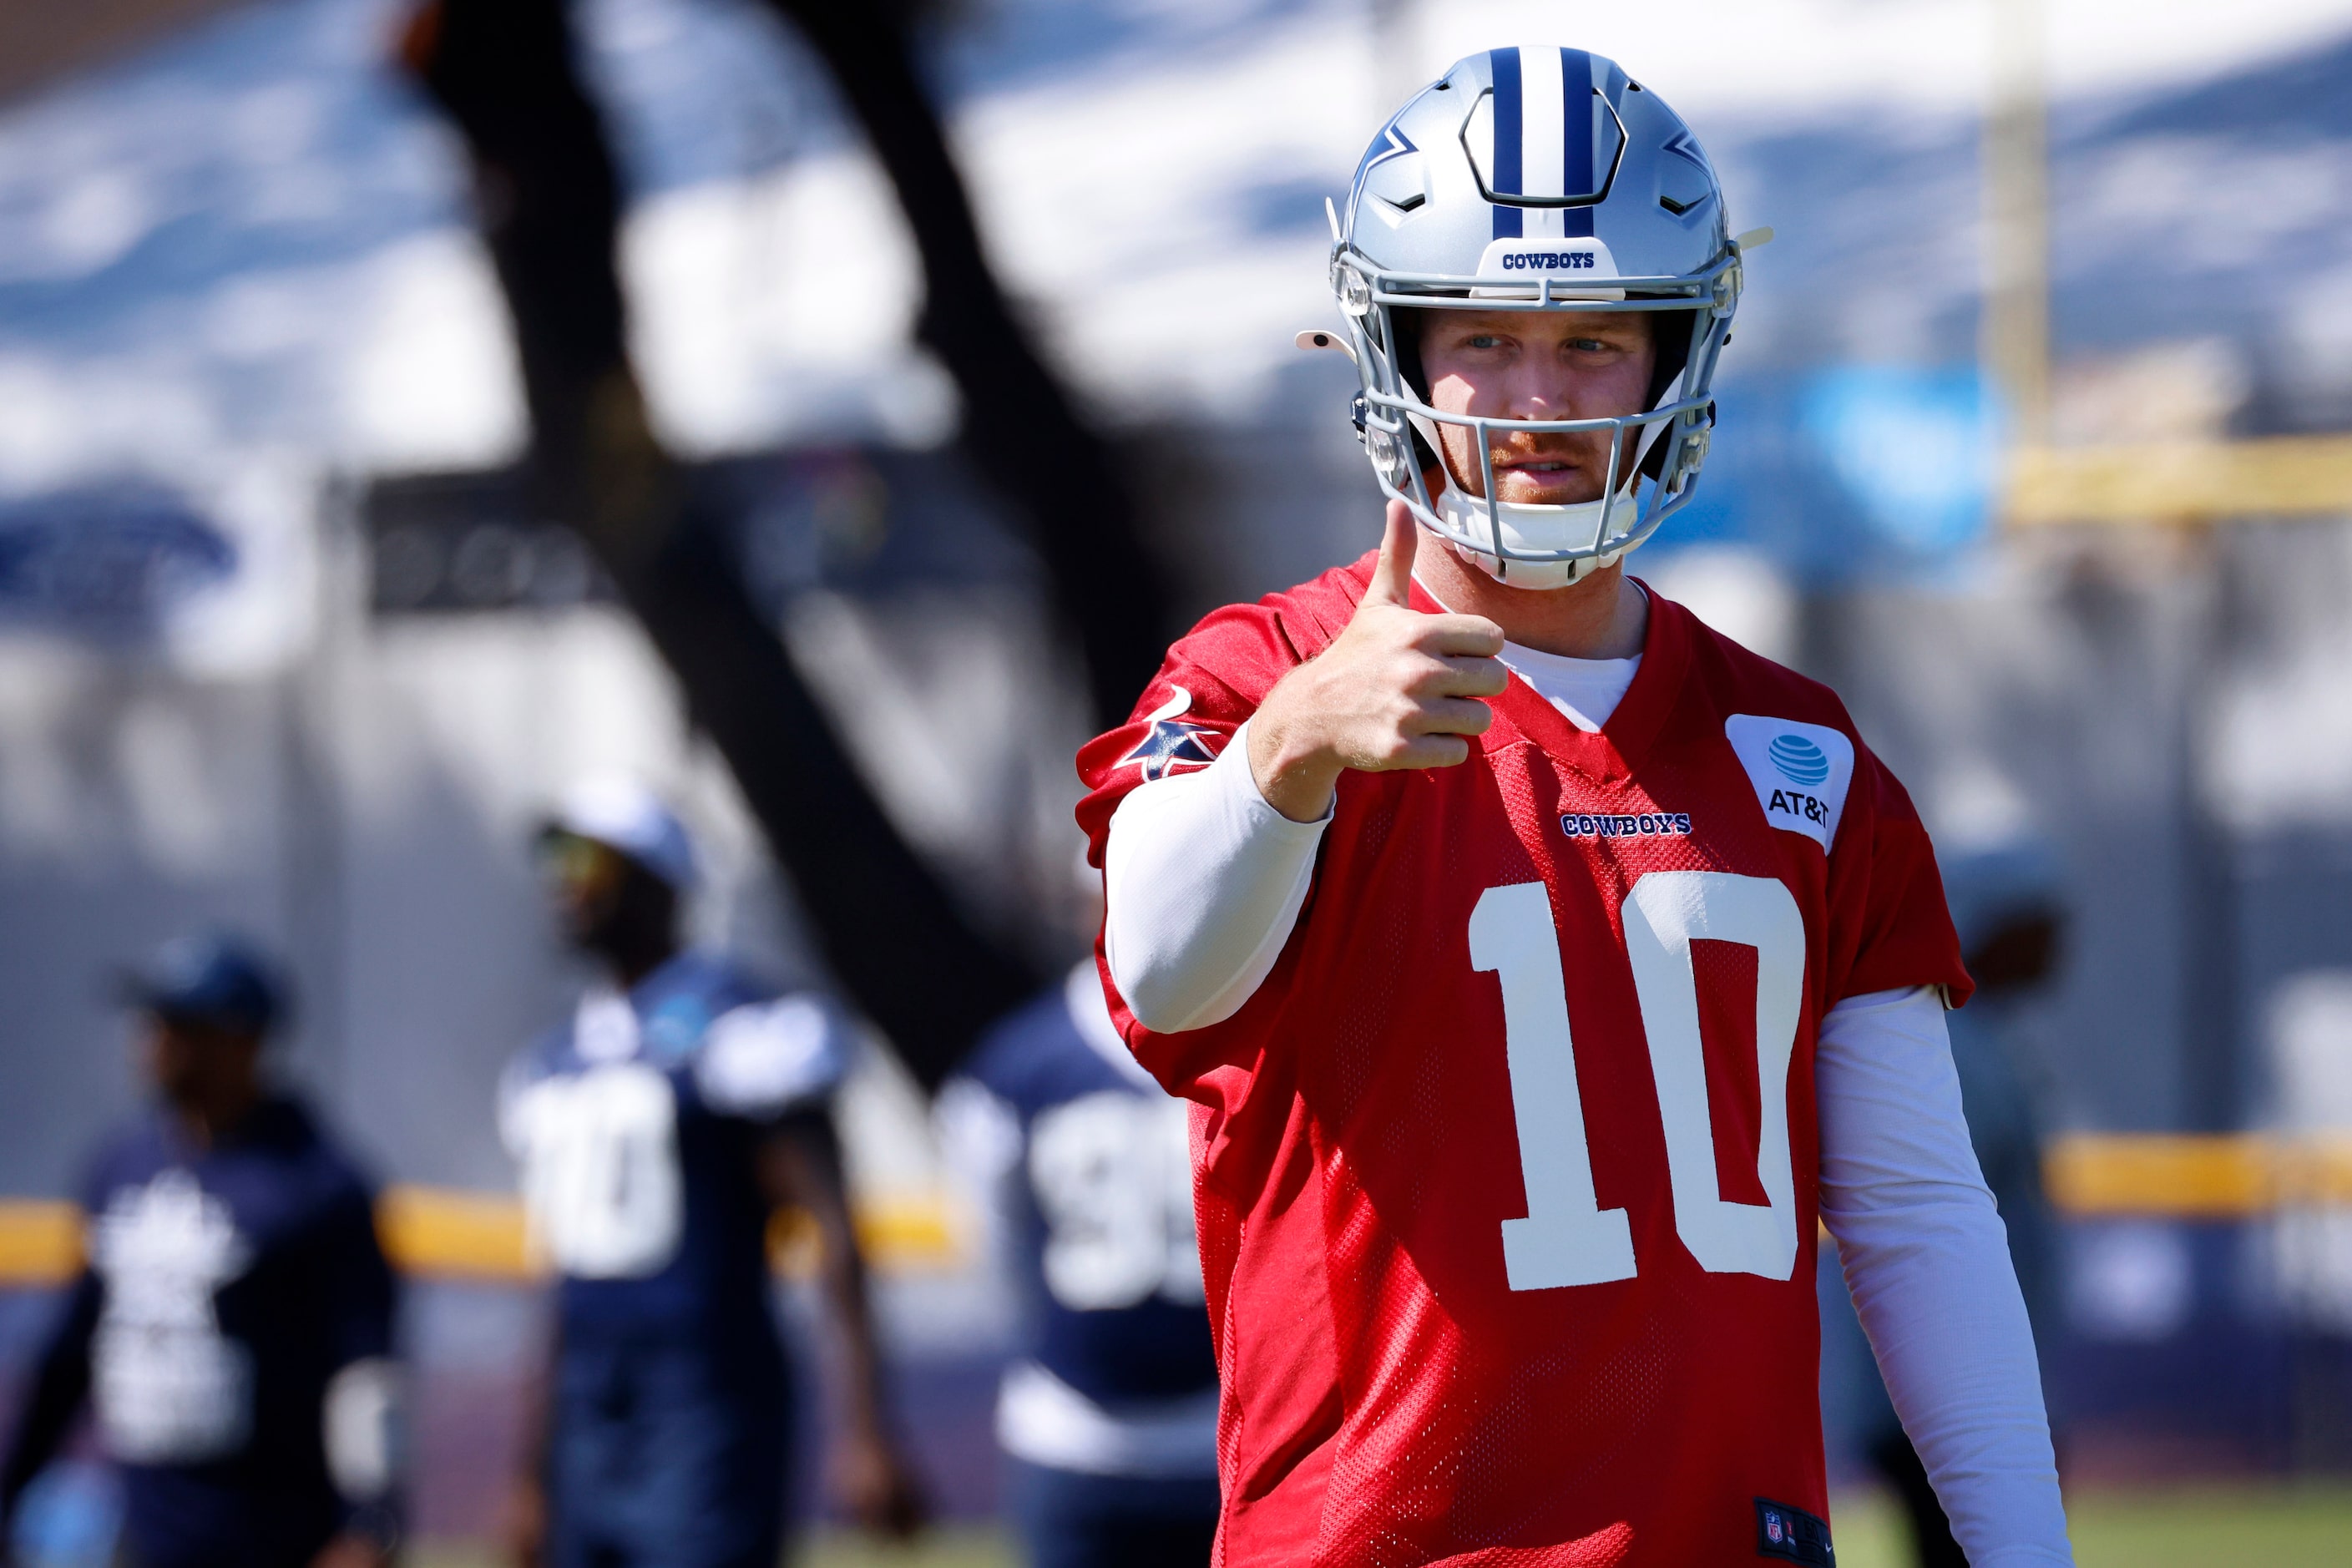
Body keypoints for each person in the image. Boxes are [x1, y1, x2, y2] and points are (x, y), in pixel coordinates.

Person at [1075, 47, 2074, 1566]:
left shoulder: (1796, 750)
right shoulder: (1262, 673)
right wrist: (1289, 756)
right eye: (1482, 334)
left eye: (1596, 339)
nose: (1539, 401)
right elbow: (1158, 967)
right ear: (1392, 351)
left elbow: (1918, 1220)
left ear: (1678, 358)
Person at [498, 776, 924, 1568]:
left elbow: (832, 1233)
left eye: (586, 860)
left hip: (703, 1394)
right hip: (587, 1404)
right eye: (556, 859)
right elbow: (556, 1279)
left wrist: (866, 1425)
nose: (564, 881)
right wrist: (530, 1470)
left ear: (655, 881)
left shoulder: (741, 1025)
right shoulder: (557, 1059)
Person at [0, 936, 402, 1568]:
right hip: (150, 1532)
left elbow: (365, 1371)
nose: (154, 1041)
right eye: (153, 1022)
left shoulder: (314, 1182)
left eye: (181, 1024)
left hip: (272, 1534)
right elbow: (73, 1350)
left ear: (244, 1041)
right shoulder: (121, 1166)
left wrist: (370, 1524)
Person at [1824, 838, 2070, 1567]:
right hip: (1933, 1376)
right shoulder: (1942, 1040)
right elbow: (1917, 1219)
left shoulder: (1989, 1033)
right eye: (2039, 924)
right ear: (1995, 925)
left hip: (1963, 1367)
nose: (2059, 944)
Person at [937, 959, 1221, 1568]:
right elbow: (995, 1238)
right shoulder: (1021, 1060)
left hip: (1226, 1432)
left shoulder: (1251, 1038)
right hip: (1073, 1432)